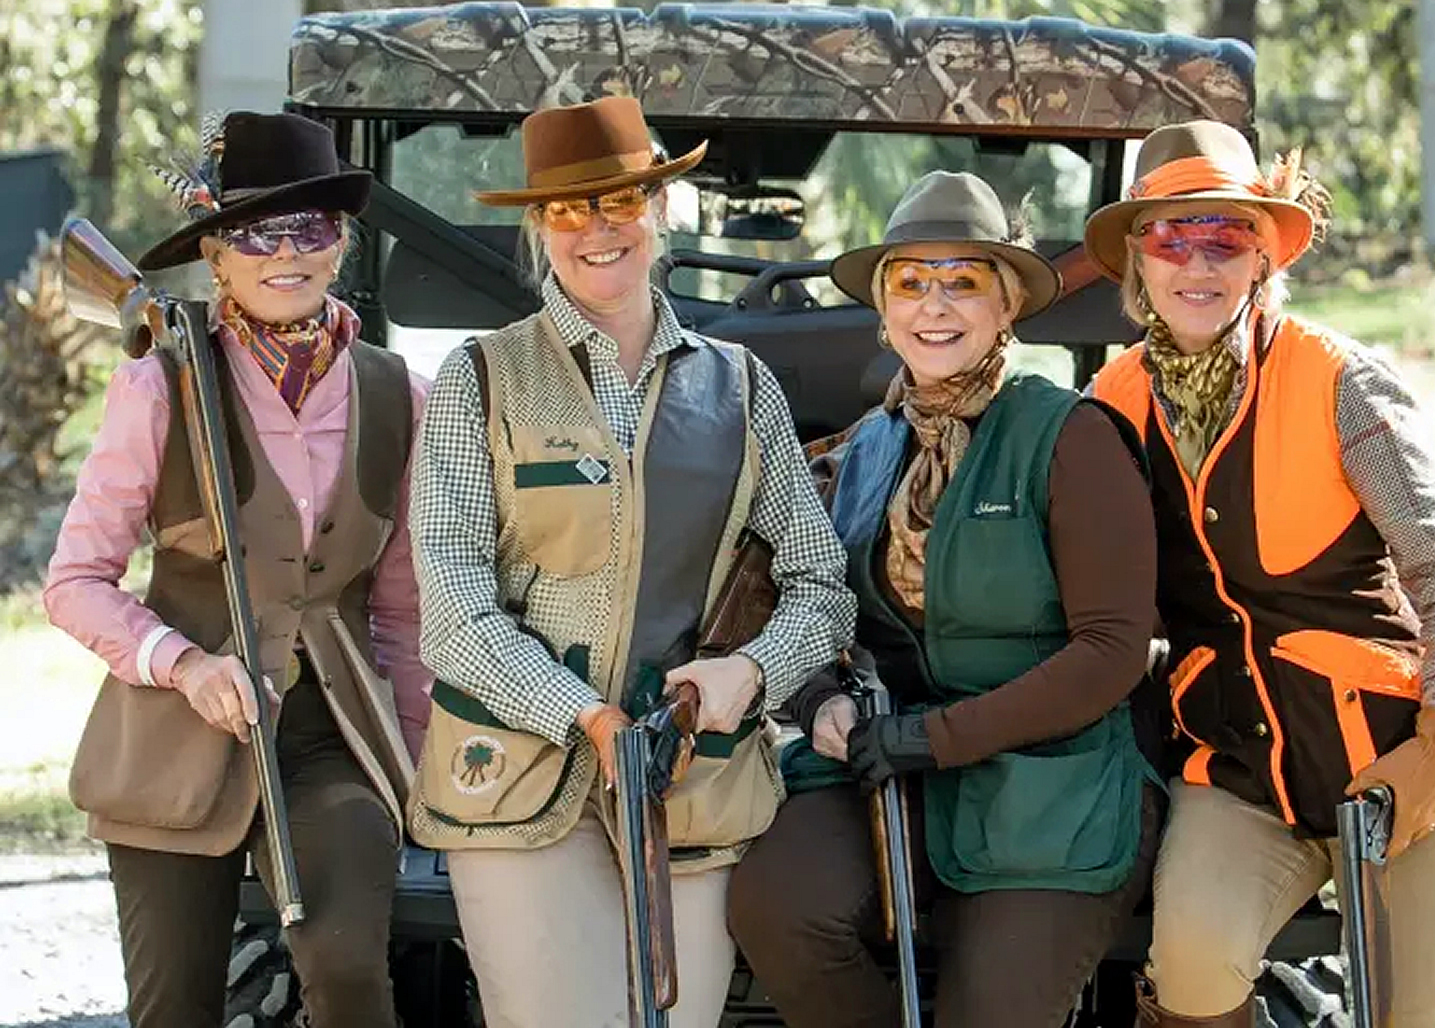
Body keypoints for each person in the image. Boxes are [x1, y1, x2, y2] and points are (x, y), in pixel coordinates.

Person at [406, 95, 854, 1028]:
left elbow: (820, 586)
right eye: (570, 210)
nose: (599, 229)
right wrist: (589, 719)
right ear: (539, 225)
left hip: (692, 779)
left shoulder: (741, 384)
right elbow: (455, 612)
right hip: (524, 775)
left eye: (621, 201)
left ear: (658, 209)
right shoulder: (480, 376)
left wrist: (751, 671)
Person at [1082, 120, 1435, 1027]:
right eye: (1170, 235)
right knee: (1189, 972)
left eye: (1225, 235)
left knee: (1421, 1015)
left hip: (1396, 765)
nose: (1198, 261)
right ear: (1139, 263)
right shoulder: (1107, 406)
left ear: (1263, 255)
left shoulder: (1341, 381)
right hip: (1240, 779)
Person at [726, 170, 1165, 1028]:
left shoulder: (1071, 436)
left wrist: (932, 737)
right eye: (911, 281)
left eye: (963, 280)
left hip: (1052, 787)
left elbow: (1111, 653)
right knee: (776, 907)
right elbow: (807, 607)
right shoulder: (863, 449)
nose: (935, 303)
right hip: (886, 768)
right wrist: (819, 698)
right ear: (884, 310)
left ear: (1007, 306)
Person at [45, 111, 431, 1028]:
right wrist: (185, 663)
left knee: (347, 974)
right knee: (173, 1008)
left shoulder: (397, 392)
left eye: (311, 227)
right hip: (177, 732)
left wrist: (418, 769)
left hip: (324, 736)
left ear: (342, 244)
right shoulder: (158, 382)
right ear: (216, 251)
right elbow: (74, 582)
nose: (285, 252)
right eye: (257, 231)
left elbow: (405, 611)